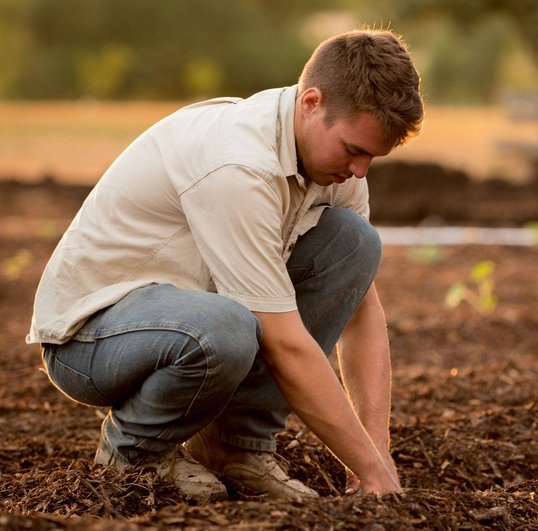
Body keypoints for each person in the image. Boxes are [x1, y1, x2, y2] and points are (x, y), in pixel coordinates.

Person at [26, 29, 423, 504]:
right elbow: (285, 346)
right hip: (90, 338)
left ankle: (235, 447)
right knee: (227, 328)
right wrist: (366, 467)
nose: (360, 171)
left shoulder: (333, 167)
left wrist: (378, 454)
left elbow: (360, 309)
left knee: (354, 243)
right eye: (354, 150)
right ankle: (135, 452)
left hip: (189, 315)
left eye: (372, 157)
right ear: (311, 103)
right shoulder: (238, 165)